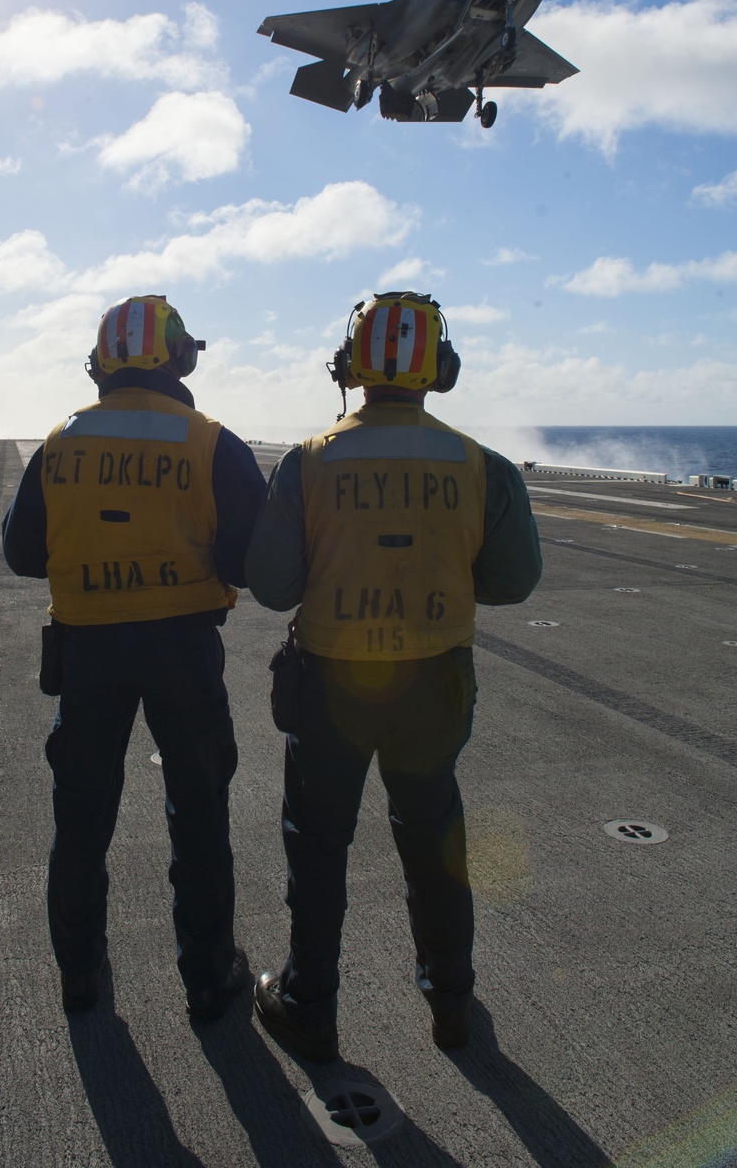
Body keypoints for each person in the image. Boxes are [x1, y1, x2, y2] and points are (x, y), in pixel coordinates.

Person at [245, 291, 541, 1061]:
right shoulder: (481, 464)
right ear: (439, 370)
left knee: (317, 846)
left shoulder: (308, 461)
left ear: (351, 367)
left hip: (331, 686)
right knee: (434, 838)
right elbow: (514, 581)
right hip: (433, 686)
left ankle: (310, 1002)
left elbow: (273, 586)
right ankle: (451, 1003)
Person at [2, 295, 266, 1019]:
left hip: (88, 649)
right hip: (183, 648)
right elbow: (250, 563)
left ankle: (81, 974)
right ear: (178, 359)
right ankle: (210, 979)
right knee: (199, 814)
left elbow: (22, 552)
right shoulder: (211, 440)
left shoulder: (61, 439)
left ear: (100, 364)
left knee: (81, 817)